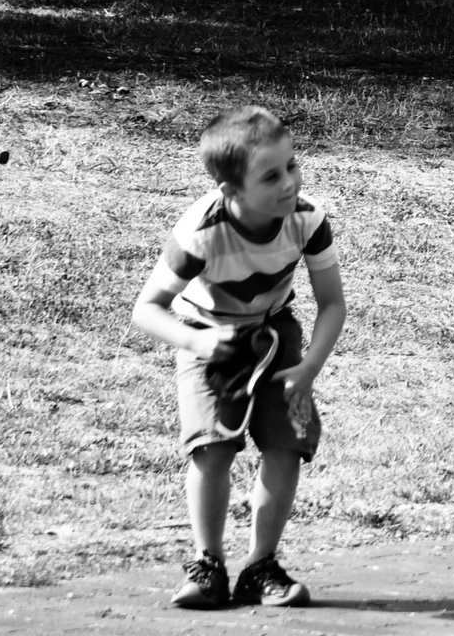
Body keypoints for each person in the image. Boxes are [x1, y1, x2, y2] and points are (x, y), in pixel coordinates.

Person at [131, 105, 347, 610]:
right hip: (205, 337)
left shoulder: (308, 220)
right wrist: (201, 344)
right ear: (232, 191)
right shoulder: (202, 231)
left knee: (286, 445)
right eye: (271, 175)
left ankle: (261, 566)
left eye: (292, 165)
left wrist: (308, 367)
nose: (290, 182)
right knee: (213, 448)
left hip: (276, 339)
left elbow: (333, 303)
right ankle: (208, 565)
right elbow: (147, 309)